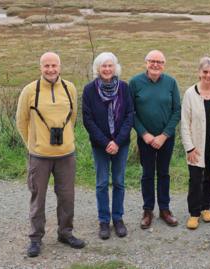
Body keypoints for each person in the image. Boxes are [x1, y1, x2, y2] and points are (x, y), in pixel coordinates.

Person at [16, 52, 85, 257]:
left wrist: (66, 139)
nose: (51, 69)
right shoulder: (29, 90)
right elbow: (22, 121)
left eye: (54, 65)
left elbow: (72, 117)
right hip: (39, 156)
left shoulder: (69, 88)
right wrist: (34, 144)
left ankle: (65, 233)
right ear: (41, 67)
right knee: (38, 198)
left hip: (66, 154)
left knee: (67, 197)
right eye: (46, 66)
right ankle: (35, 239)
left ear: (60, 67)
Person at [82, 52, 134, 240]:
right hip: (100, 145)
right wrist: (106, 143)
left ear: (115, 68)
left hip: (121, 144)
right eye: (103, 66)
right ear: (97, 68)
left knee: (119, 182)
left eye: (110, 65)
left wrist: (117, 141)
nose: (107, 69)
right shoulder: (89, 90)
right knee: (102, 183)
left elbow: (130, 115)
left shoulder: (124, 88)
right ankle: (104, 221)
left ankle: (118, 219)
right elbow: (87, 119)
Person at [129, 50, 181, 229]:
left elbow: (177, 111)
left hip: (166, 138)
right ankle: (147, 210)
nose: (156, 65)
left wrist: (164, 135)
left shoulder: (171, 83)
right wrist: (145, 134)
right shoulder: (135, 83)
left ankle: (165, 209)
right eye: (152, 61)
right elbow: (131, 112)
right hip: (146, 139)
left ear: (164, 65)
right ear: (146, 63)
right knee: (147, 174)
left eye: (159, 62)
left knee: (164, 173)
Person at [180, 56, 210, 229]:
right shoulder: (189, 94)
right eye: (205, 72)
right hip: (196, 146)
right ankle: (194, 213)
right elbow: (185, 123)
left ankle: (206, 207)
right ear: (199, 73)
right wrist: (189, 147)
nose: (208, 75)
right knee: (195, 180)